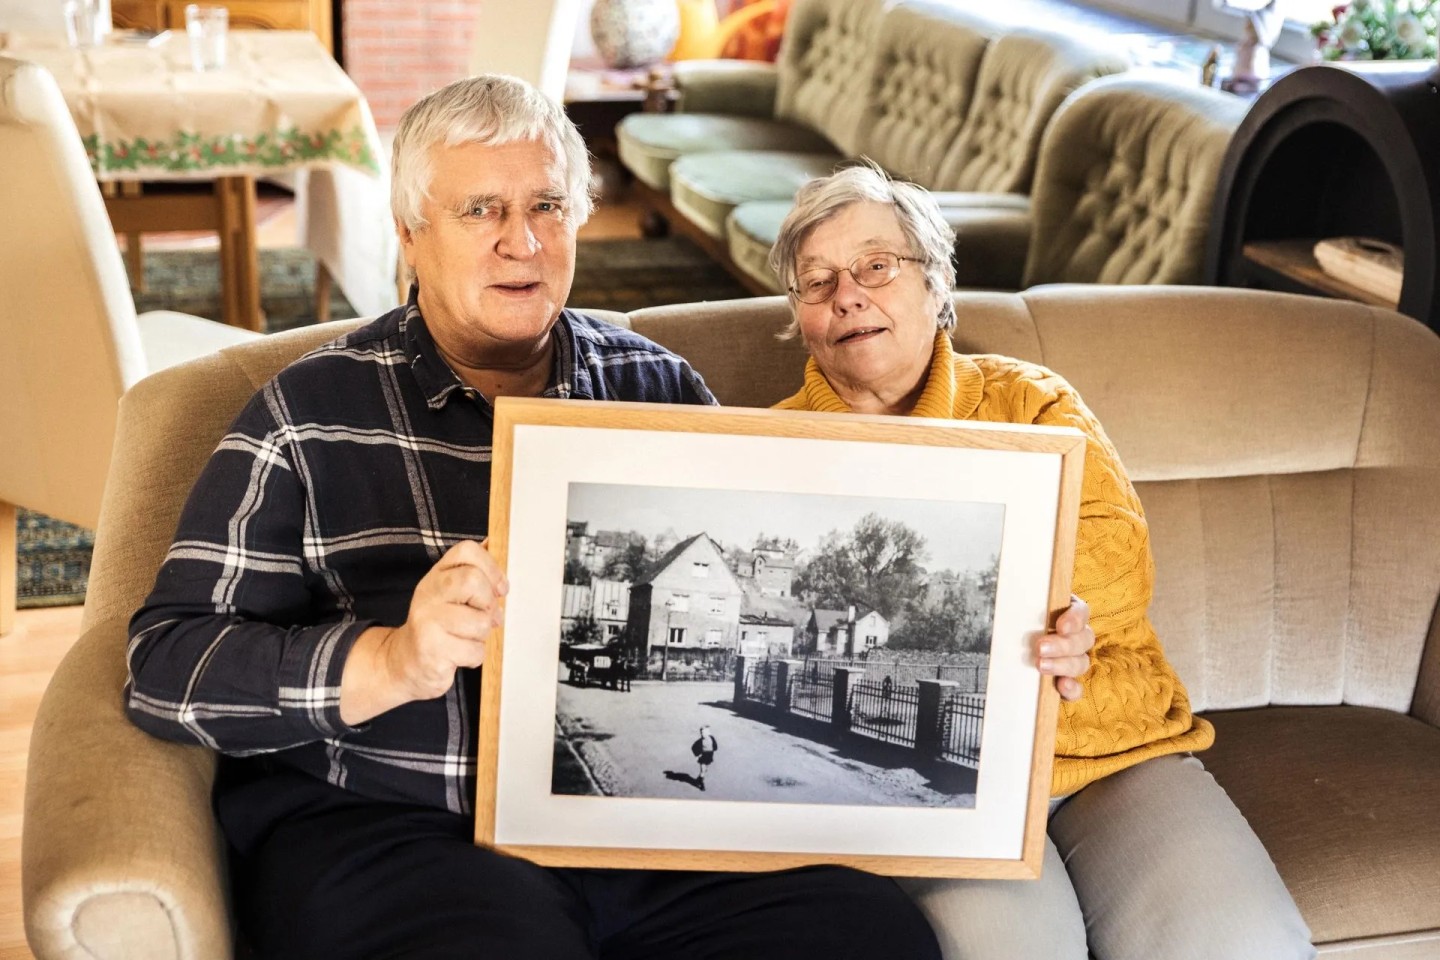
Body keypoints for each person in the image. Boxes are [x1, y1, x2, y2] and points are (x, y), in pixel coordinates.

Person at [123, 76, 941, 960]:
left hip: (649, 837)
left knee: (874, 935)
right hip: (404, 831)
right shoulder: (305, 415)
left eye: (548, 204)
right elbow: (163, 666)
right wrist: (390, 659)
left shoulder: (659, 389)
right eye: (481, 210)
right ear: (410, 234)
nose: (523, 241)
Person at [766, 163, 1316, 960]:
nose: (847, 294)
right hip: (928, 776)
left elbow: (1118, 570)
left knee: (1240, 940)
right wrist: (1014, 605)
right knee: (1004, 948)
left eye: (877, 266)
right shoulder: (770, 445)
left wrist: (991, 613)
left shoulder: (1032, 401)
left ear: (936, 282)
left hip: (1103, 745)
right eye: (817, 282)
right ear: (801, 315)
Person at [691, 724, 719, 789]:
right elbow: (693, 747)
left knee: (705, 770)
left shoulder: (711, 738)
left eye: (704, 732)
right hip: (703, 757)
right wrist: (698, 754)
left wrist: (714, 749)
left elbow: (715, 745)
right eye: (701, 733)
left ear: (708, 733)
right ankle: (701, 784)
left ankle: (698, 779)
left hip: (710, 755)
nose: (702, 734)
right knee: (703, 771)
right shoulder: (700, 741)